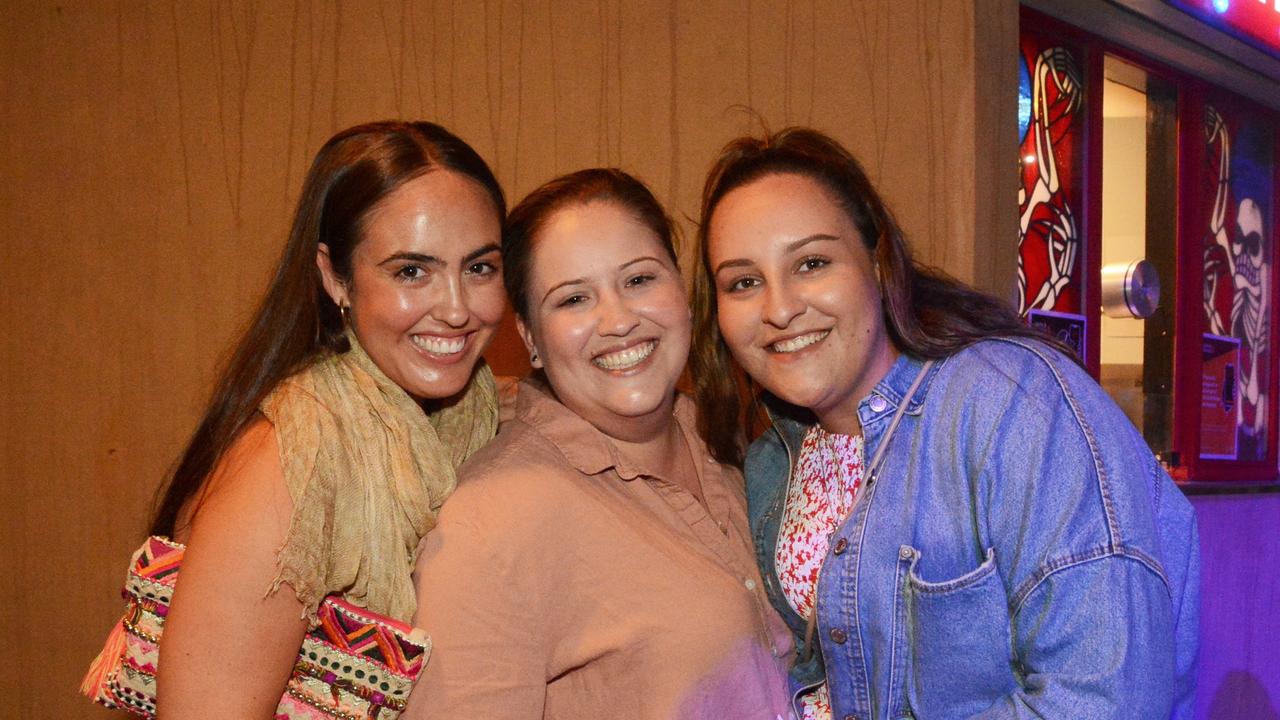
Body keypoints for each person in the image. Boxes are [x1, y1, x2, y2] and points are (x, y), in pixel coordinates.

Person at [691, 127, 1199, 720]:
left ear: (877, 264)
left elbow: (1106, 699)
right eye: (743, 282)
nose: (778, 308)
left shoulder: (1011, 401)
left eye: (811, 262)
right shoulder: (774, 455)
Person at [82, 120, 507, 719]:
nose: (458, 309)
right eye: (411, 271)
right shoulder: (291, 466)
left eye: (480, 268)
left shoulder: (472, 411)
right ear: (335, 276)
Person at [403, 168, 794, 719]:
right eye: (573, 299)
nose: (617, 321)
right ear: (531, 338)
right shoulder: (490, 523)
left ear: (681, 290)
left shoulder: (738, 442)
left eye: (638, 280)